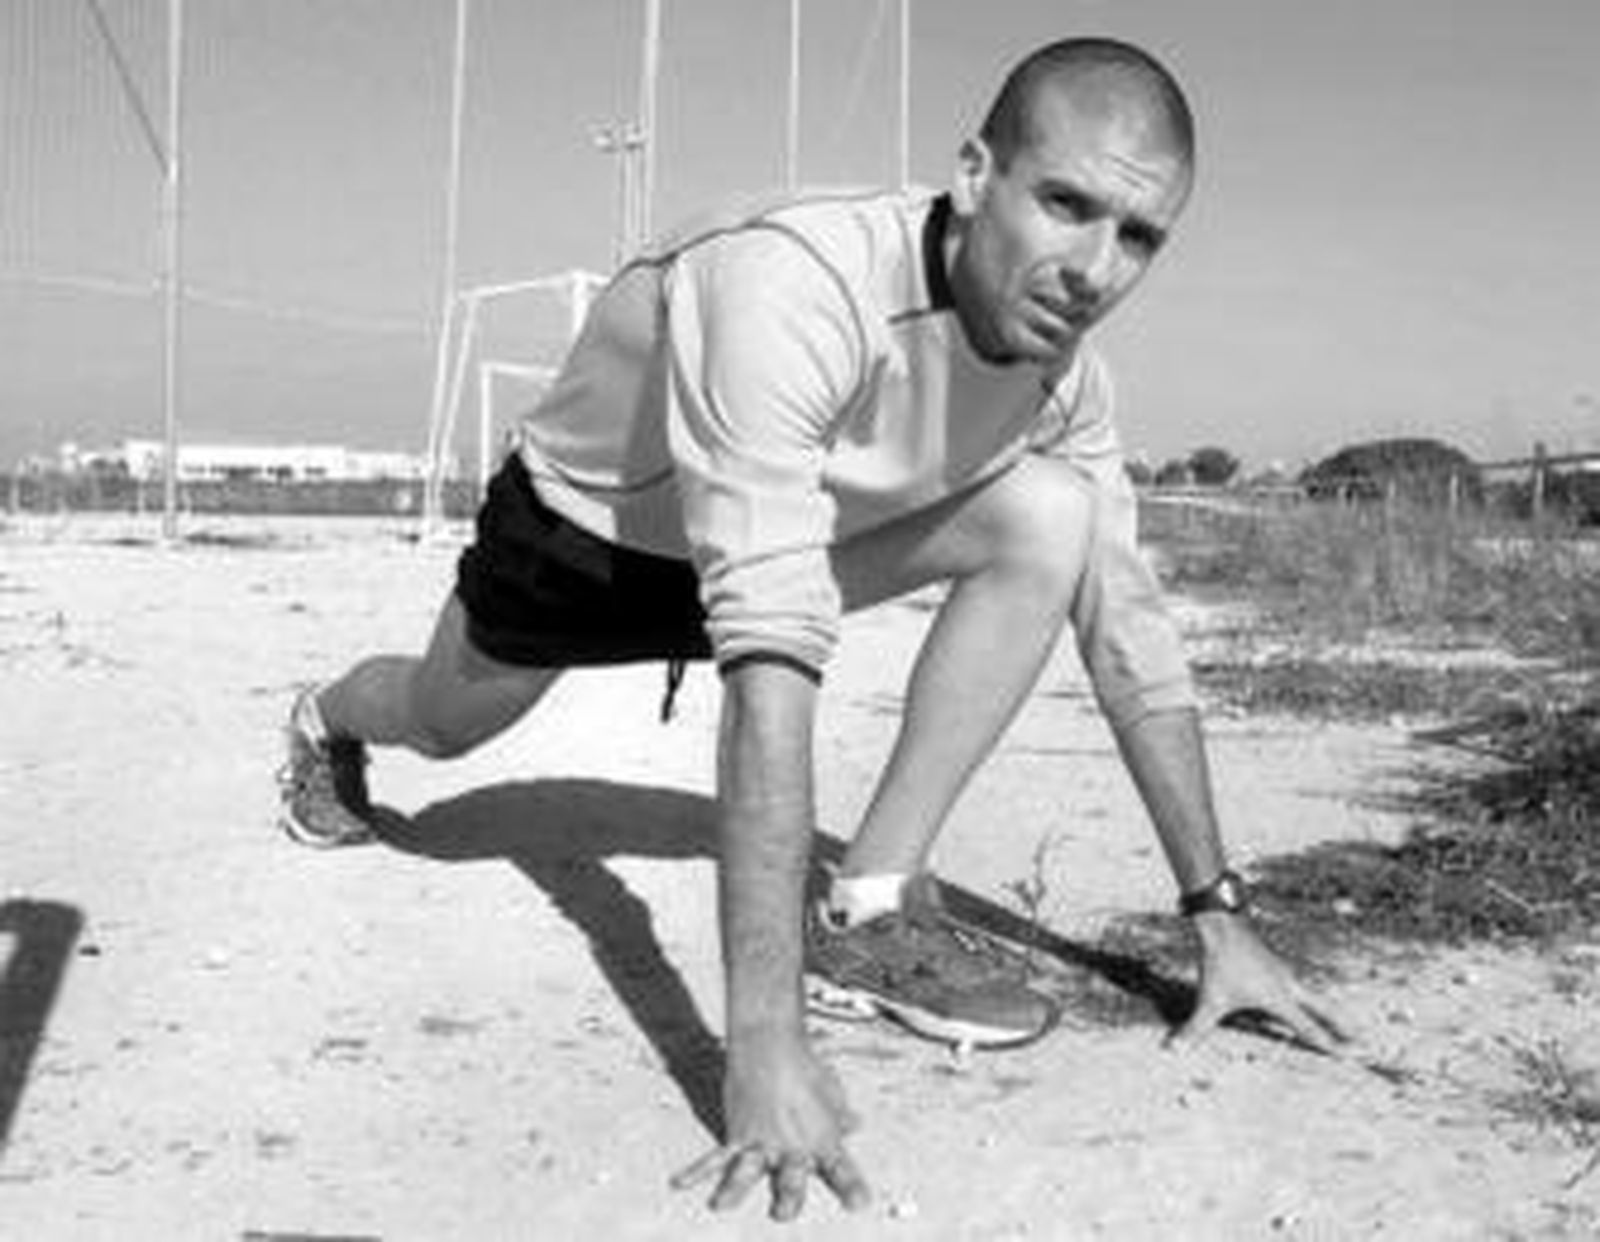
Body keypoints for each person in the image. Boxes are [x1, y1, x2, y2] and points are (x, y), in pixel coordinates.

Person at [279, 36, 1347, 1223]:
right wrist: (764, 1050)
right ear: (974, 173)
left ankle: (868, 909)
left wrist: (1218, 916)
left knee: (1055, 518)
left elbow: (1130, 637)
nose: (1096, 268)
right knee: (440, 720)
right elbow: (771, 681)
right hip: (588, 541)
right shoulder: (793, 279)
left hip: (780, 542)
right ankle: (321, 718)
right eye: (1065, 204)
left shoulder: (1068, 384)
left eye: (1138, 236)